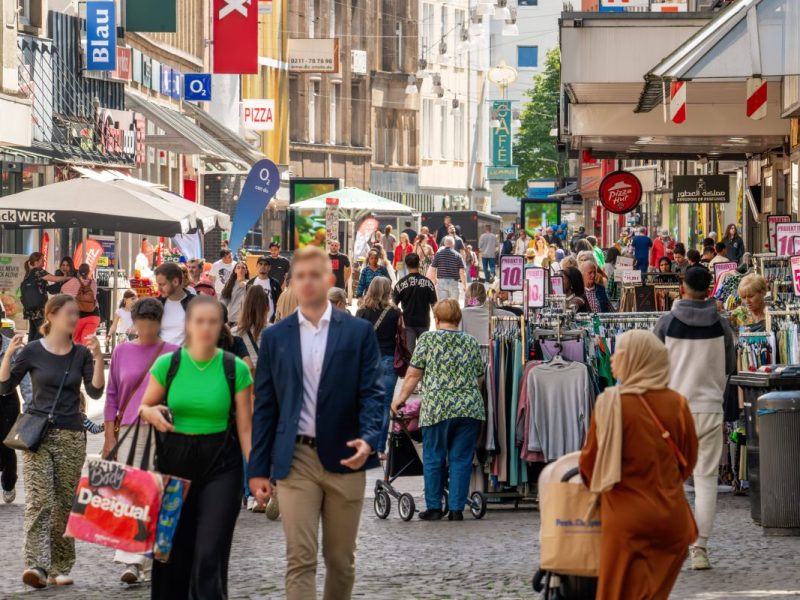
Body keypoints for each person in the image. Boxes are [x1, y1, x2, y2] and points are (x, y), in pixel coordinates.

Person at [249, 246, 383, 600]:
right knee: (300, 558)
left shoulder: (357, 333)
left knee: (341, 561)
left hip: (346, 455)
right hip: (296, 459)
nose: (307, 282)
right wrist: (258, 469)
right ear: (292, 282)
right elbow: (265, 407)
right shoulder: (275, 338)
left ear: (330, 279)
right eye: (300, 276)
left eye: (315, 275)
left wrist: (370, 438)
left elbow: (373, 393)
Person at [139, 295, 253, 598]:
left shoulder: (234, 368)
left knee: (209, 551)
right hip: (173, 466)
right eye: (199, 321)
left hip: (221, 467)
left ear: (221, 327)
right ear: (188, 324)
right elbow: (145, 406)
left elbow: (245, 427)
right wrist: (151, 413)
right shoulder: (169, 364)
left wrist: (256, 473)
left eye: (212, 321)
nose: (205, 327)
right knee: (171, 552)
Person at [579, 330, 698, 600]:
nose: (611, 361)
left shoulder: (610, 403)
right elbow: (687, 462)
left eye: (618, 354)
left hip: (626, 523)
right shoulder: (678, 404)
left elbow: (589, 466)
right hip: (671, 521)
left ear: (635, 359)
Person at [0, 295, 104, 589]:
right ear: (52, 315)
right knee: (38, 501)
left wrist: (97, 357)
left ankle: (60, 565)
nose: (75, 318)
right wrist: (9, 355)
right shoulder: (33, 350)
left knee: (63, 504)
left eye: (76, 313)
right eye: (70, 313)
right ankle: (36, 565)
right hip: (37, 435)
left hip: (71, 435)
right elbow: (5, 386)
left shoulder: (81, 353)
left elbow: (95, 392)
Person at [655, 266, 736, 571]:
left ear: (682, 287)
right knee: (705, 482)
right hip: (710, 410)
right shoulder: (722, 326)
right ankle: (699, 548)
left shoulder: (666, 323)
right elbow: (729, 365)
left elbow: (652, 368)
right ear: (710, 289)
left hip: (673, 411)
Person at [102, 298, 177, 584]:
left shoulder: (173, 352)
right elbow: (112, 395)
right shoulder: (122, 351)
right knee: (132, 495)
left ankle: (153, 556)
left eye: (150, 324)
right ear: (134, 322)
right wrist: (110, 435)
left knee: (158, 492)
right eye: (140, 324)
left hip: (165, 430)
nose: (144, 330)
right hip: (131, 430)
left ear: (159, 323)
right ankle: (132, 561)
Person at [391, 299, 484, 521]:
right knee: (461, 459)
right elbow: (479, 377)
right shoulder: (470, 342)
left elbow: (413, 374)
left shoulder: (428, 339)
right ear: (458, 319)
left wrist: (400, 400)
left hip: (437, 408)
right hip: (469, 408)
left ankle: (434, 507)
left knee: (433, 457)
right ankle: (456, 509)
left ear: (436, 318)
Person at [356, 277, 401, 456]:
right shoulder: (395, 312)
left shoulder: (361, 312)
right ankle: (381, 449)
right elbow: (401, 336)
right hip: (388, 359)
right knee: (384, 405)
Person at [0, 334, 32, 504]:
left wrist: (29, 408)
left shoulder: (12, 346)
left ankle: (8, 482)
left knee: (7, 444)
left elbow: (25, 381)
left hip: (7, 400)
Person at [393, 253, 437, 353]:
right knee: (423, 352)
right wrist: (437, 321)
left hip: (408, 322)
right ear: (419, 264)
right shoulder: (428, 283)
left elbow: (394, 305)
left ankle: (410, 369)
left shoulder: (400, 283)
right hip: (424, 322)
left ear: (406, 265)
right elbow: (434, 304)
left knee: (410, 353)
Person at [21, 252, 70, 342]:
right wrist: (68, 278)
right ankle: (31, 350)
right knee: (43, 331)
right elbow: (55, 278)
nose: (44, 262)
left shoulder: (28, 274)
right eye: (42, 260)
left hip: (30, 309)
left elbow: (46, 289)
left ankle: (28, 352)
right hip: (39, 309)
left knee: (33, 331)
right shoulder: (38, 271)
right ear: (36, 262)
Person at [60, 263, 100, 344]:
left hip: (78, 317)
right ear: (89, 272)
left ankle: (80, 355)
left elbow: (62, 290)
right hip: (94, 316)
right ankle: (85, 355)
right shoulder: (93, 283)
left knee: (76, 342)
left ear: (78, 272)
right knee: (86, 340)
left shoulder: (74, 282)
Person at [234, 285, 271, 370]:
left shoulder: (235, 332)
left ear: (244, 307)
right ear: (268, 307)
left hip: (245, 380)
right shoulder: (276, 331)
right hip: (267, 379)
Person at [155, 262, 192, 346]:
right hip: (161, 357)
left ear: (175, 282)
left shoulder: (196, 304)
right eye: (158, 284)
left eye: (162, 284)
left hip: (186, 357)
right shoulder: (156, 305)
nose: (159, 289)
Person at [429, 237, 466, 301]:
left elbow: (433, 269)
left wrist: (434, 279)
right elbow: (462, 272)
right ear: (453, 244)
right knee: (454, 305)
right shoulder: (458, 255)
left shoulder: (438, 254)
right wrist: (465, 285)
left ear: (444, 244)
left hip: (441, 282)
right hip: (454, 282)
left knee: (443, 305)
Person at [248, 256, 282, 322]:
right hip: (253, 320)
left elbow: (279, 302)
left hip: (271, 321)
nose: (263, 266)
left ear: (269, 267)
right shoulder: (250, 283)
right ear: (256, 266)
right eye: (260, 264)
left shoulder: (275, 284)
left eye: (266, 264)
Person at [220, 262, 250, 326]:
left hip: (246, 319)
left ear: (246, 271)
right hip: (232, 318)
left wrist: (246, 286)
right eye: (238, 268)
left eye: (243, 268)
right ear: (235, 270)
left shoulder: (251, 284)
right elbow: (223, 301)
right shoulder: (229, 284)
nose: (240, 270)